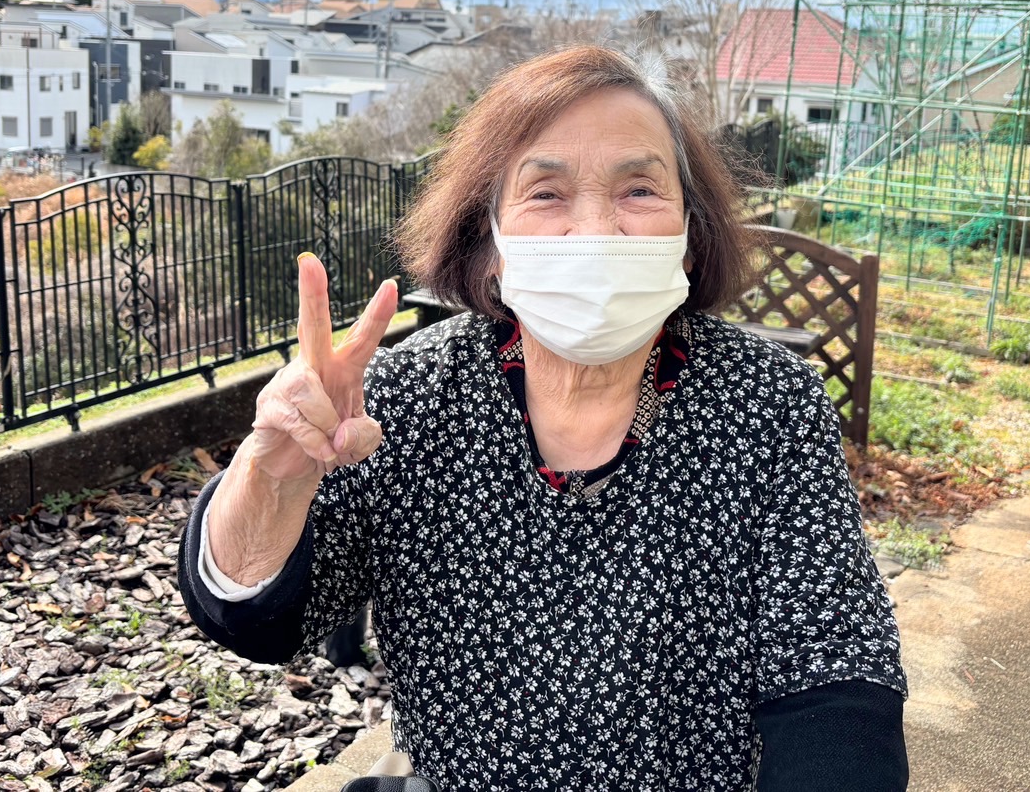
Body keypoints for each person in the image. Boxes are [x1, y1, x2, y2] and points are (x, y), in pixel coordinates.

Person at [177, 46, 908, 791]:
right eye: (546, 193)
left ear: (691, 237)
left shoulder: (768, 402)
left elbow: (835, 676)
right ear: (491, 242)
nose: (595, 230)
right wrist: (272, 478)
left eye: (639, 190)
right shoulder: (404, 398)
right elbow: (259, 623)